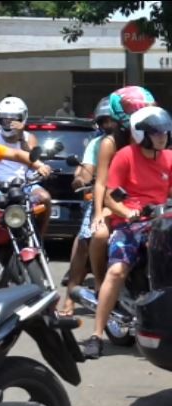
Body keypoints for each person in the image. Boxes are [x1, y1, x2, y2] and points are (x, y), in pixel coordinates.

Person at [83, 106, 172, 359]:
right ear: (141, 133)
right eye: (155, 133)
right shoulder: (125, 156)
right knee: (117, 270)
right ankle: (96, 334)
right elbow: (110, 197)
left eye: (165, 132)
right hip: (132, 222)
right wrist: (127, 211)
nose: (162, 137)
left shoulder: (169, 158)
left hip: (162, 222)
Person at [87, 86, 155, 297]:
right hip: (115, 200)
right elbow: (101, 182)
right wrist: (98, 213)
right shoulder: (110, 143)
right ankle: (99, 283)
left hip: (149, 203)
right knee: (99, 235)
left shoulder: (157, 137)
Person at [60, 97, 118, 317]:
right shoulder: (97, 143)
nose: (108, 126)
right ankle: (71, 296)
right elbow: (86, 172)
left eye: (112, 120)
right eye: (104, 121)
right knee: (85, 238)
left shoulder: (135, 141)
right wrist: (80, 178)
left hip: (133, 199)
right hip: (102, 198)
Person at [0, 96, 54, 235]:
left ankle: (39, 239)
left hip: (25, 185)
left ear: (22, 118)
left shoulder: (29, 137)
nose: (8, 123)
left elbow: (31, 158)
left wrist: (20, 136)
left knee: (45, 198)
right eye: (4, 119)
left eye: (13, 120)